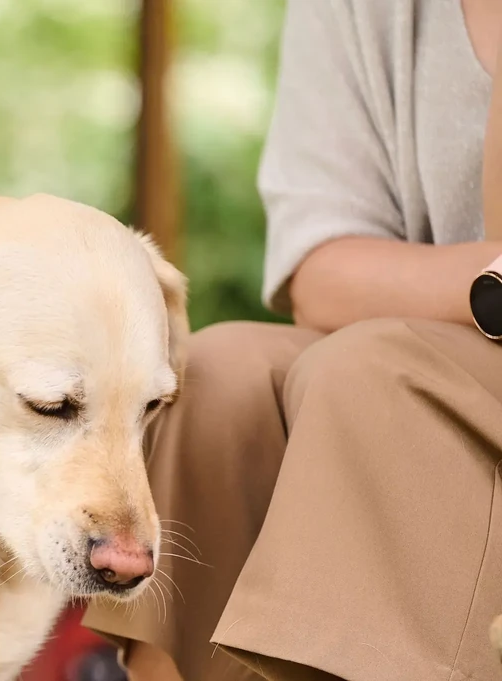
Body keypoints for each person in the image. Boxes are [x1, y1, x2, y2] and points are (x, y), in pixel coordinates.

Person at [82, 1, 502, 679]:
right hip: (451, 325)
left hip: (400, 362)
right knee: (217, 374)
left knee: (368, 371)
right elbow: (323, 267)